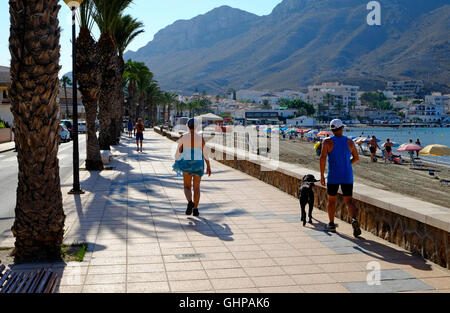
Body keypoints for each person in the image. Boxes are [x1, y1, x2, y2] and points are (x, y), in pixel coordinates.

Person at [320, 119, 361, 237]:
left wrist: (322, 175)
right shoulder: (349, 142)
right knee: (349, 201)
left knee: (331, 200)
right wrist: (347, 164)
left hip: (333, 176)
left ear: (331, 129)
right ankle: (353, 219)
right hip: (347, 175)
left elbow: (322, 158)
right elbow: (356, 158)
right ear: (342, 128)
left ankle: (332, 224)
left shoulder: (327, 142)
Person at [174, 118, 212, 217]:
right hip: (198, 164)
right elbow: (205, 153)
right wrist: (208, 166)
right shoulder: (200, 138)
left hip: (187, 163)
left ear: (187, 126)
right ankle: (195, 209)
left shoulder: (183, 137)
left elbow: (178, 152)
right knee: (197, 188)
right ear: (196, 127)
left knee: (187, 186)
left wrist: (176, 163)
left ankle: (190, 202)